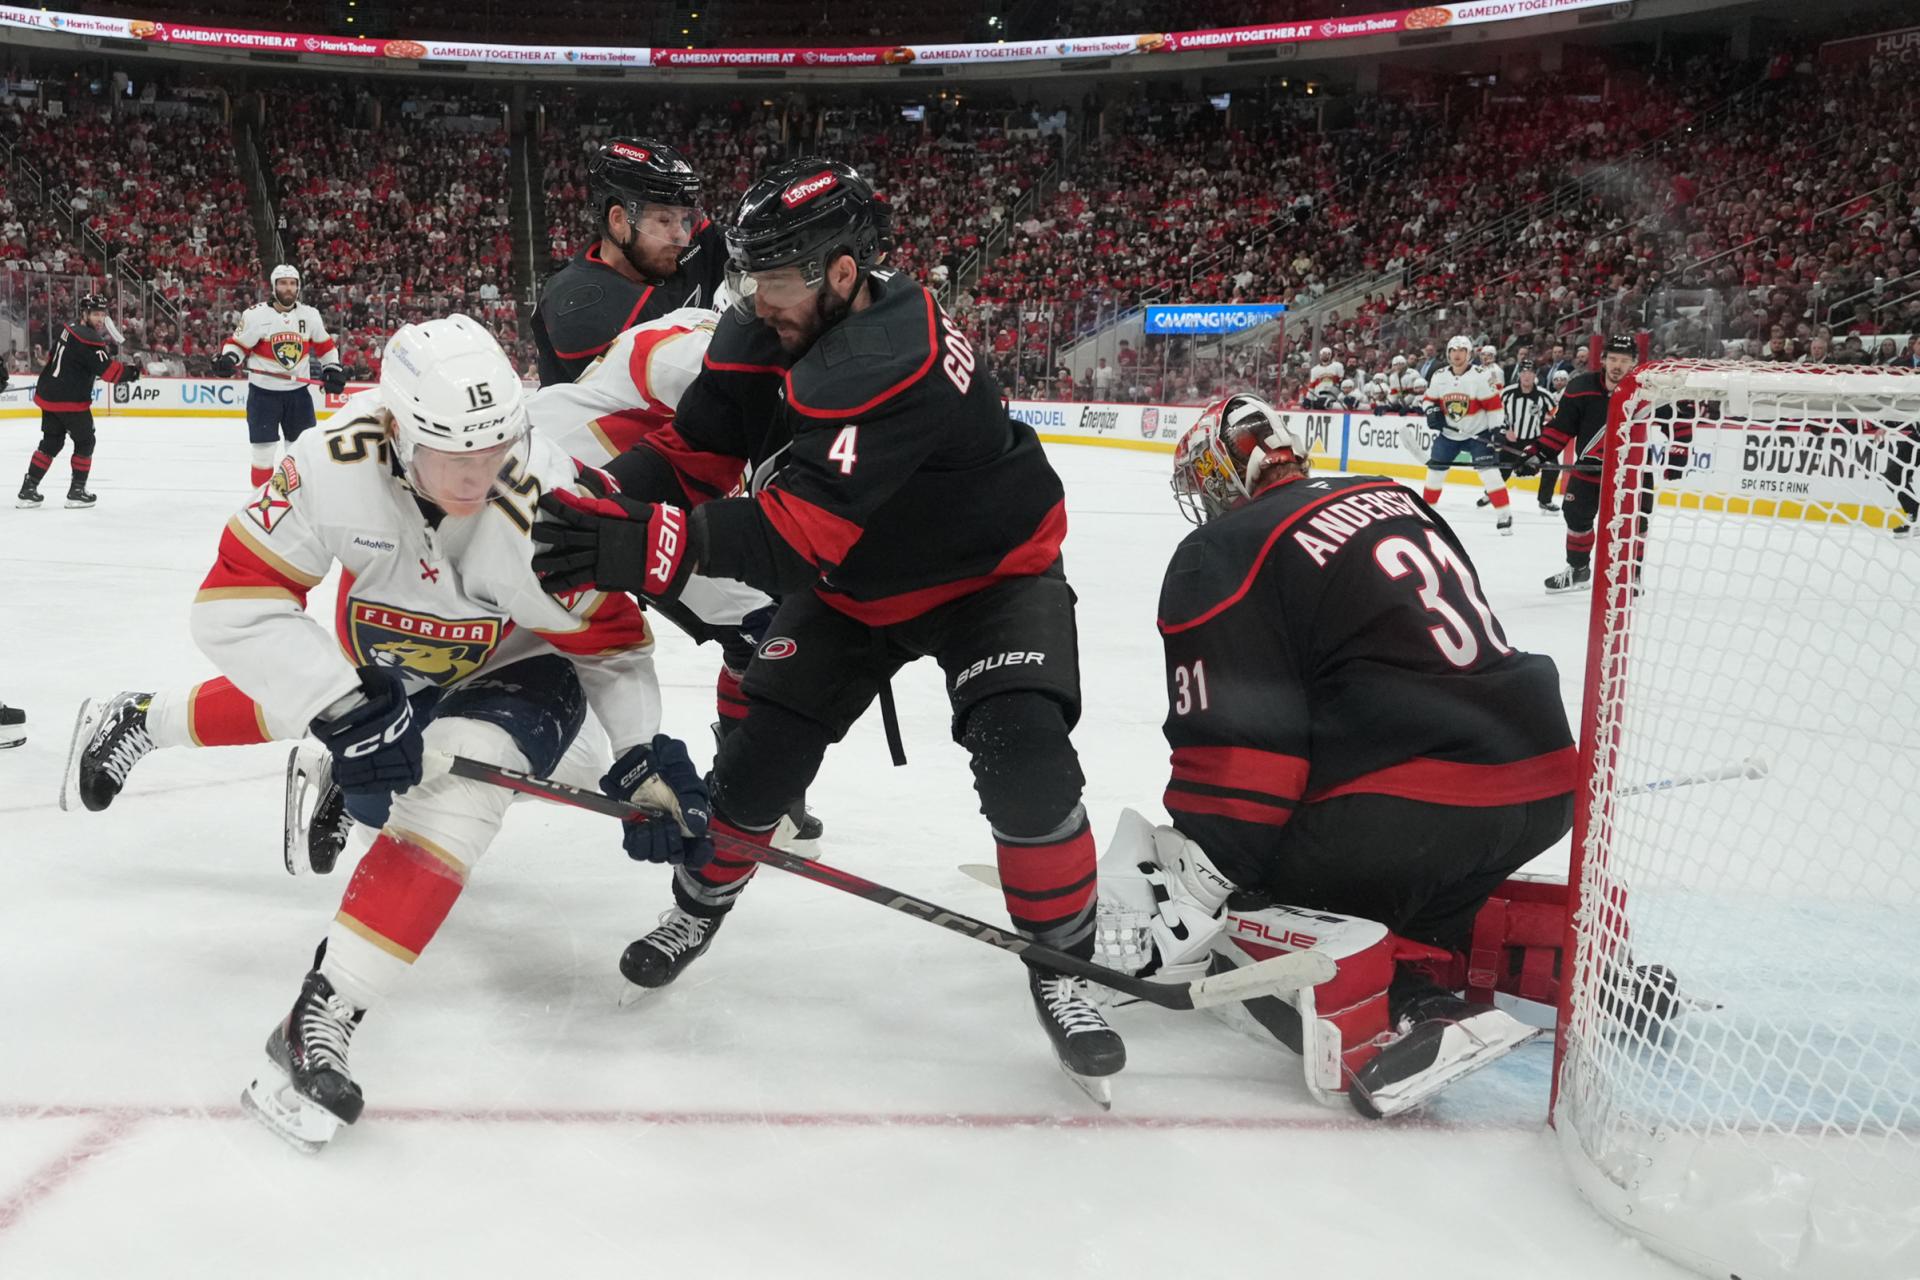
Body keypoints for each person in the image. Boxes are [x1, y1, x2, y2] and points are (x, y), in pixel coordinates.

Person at [527, 158, 1127, 1103]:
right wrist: (588, 501)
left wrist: (636, 547)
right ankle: (701, 904)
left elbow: (793, 539)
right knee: (757, 764)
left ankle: (1067, 967)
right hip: (859, 582)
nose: (751, 300)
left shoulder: (894, 353)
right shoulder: (766, 322)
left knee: (1026, 760)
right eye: (747, 278)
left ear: (842, 273)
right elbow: (697, 453)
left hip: (989, 579)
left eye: (772, 281)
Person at [61, 315, 712, 1150]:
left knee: (456, 793)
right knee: (313, 701)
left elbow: (614, 649)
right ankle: (141, 721)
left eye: (497, 447)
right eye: (455, 452)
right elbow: (231, 607)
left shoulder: (551, 502)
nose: (482, 474)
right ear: (399, 429)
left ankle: (320, 1010)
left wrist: (640, 754)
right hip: (390, 632)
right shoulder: (331, 462)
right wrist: (345, 707)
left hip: (519, 666)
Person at [1097, 393, 1574, 1117]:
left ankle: (1414, 1015)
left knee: (1251, 901)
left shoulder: (1226, 548)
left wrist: (1205, 885)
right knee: (1412, 884)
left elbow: (1240, 751)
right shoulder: (1393, 496)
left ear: (1227, 474)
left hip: (1410, 809)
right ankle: (1501, 963)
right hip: (1539, 783)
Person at [533, 138, 727, 387]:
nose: (681, 235)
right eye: (665, 220)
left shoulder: (674, 246)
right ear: (619, 219)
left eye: (684, 219)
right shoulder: (579, 306)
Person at [1509, 334, 1638, 592]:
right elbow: (1561, 428)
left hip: (1632, 473)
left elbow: (1675, 417)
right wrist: (1537, 454)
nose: (1617, 365)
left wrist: (1678, 445)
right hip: (1588, 470)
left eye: (1624, 360)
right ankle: (1579, 570)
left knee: (1633, 525)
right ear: (1602, 360)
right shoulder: (1581, 386)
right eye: (1612, 359)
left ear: (1634, 362)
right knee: (1576, 517)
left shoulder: (1645, 389)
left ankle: (1630, 575)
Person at [212, 265, 347, 489]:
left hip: (298, 397)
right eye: (283, 283)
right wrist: (228, 359)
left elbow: (326, 348)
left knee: (300, 454)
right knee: (263, 454)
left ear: (298, 287)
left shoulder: (309, 315)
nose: (288, 288)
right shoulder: (255, 315)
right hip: (264, 396)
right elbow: (237, 346)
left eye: (292, 283)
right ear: (274, 287)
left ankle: (297, 504)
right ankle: (260, 503)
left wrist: (332, 368)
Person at [16, 292, 138, 509]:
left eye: (103, 314)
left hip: (49, 394)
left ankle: (28, 488)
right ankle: (77, 492)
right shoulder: (90, 338)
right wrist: (132, 372)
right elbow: (109, 373)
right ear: (85, 313)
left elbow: (54, 357)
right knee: (85, 441)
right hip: (69, 399)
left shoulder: (68, 328)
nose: (100, 319)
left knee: (52, 442)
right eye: (96, 314)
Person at [1420, 335, 1512, 534]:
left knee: (1490, 473)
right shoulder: (1439, 375)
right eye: (1453, 350)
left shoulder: (1481, 375)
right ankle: (1426, 514)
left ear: (1469, 354)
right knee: (1435, 473)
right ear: (1448, 353)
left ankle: (1504, 514)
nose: (1457, 354)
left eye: (1462, 350)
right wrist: (1431, 410)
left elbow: (1494, 406)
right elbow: (1428, 399)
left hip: (1478, 433)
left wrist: (1497, 430)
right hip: (1449, 435)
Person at [1488, 361, 1558, 511]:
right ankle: (1490, 494)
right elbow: (1496, 413)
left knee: (1553, 466)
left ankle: (1545, 500)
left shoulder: (1544, 395)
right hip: (1513, 439)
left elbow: (1557, 415)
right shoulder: (1507, 393)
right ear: (1519, 374)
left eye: (1531, 372)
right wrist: (1505, 430)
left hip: (1536, 441)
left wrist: (1547, 429)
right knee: (1503, 468)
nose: (1527, 376)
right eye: (1524, 372)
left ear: (1535, 375)